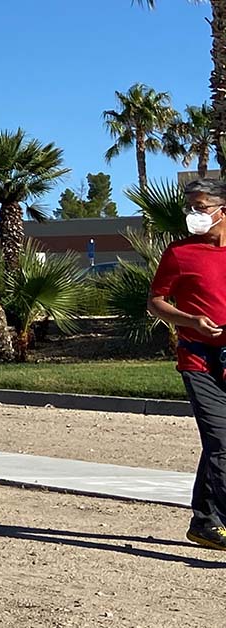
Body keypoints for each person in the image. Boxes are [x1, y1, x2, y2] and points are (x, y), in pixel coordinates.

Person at [148, 177, 226, 552]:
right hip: (198, 359)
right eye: (190, 207)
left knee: (219, 445)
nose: (193, 215)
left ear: (222, 210)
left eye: (200, 207)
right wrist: (190, 320)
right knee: (221, 441)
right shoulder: (180, 253)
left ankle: (204, 520)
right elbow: (156, 302)